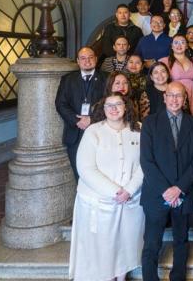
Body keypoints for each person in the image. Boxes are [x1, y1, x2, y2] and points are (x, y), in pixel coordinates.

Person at [69, 93, 144, 281]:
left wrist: (129, 189)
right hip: (99, 201)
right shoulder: (93, 131)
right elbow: (85, 168)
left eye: (118, 104)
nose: (113, 108)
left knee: (126, 241)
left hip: (131, 199)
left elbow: (146, 163)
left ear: (126, 106)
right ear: (103, 109)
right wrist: (115, 191)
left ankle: (121, 275)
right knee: (104, 245)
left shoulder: (139, 130)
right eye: (109, 105)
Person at [140, 82, 193, 281]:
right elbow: (146, 161)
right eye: (171, 95)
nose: (175, 99)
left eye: (179, 96)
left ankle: (178, 277)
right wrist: (166, 190)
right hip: (156, 193)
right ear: (164, 97)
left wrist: (179, 188)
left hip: (183, 192)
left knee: (181, 240)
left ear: (185, 99)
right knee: (151, 243)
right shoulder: (150, 123)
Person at [55, 47, 105, 180]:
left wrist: (92, 119)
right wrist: (77, 121)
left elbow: (110, 103)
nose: (87, 61)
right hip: (75, 133)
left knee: (101, 173)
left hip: (100, 132)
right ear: (78, 61)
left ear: (95, 59)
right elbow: (60, 104)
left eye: (90, 57)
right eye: (83, 58)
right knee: (79, 174)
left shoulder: (107, 78)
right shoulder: (67, 79)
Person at [159, 35, 193, 115]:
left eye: (182, 42)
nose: (179, 45)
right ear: (171, 46)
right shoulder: (164, 61)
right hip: (175, 96)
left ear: (187, 46)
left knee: (192, 118)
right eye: (176, 42)